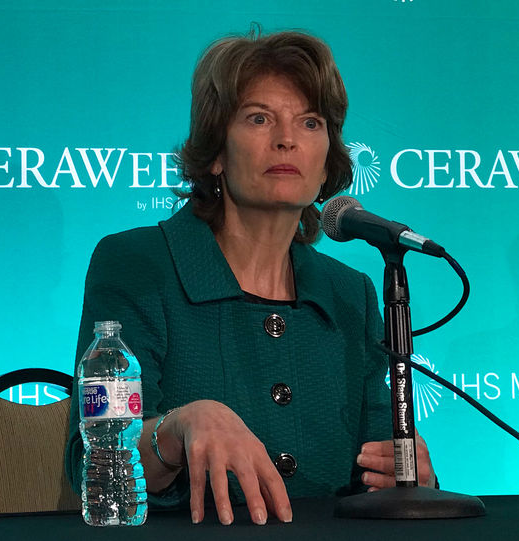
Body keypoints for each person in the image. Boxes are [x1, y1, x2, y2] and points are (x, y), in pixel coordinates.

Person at [65, 28, 436, 526]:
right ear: (216, 153)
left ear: (327, 160)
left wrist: (407, 477)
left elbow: (376, 469)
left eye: (309, 122)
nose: (287, 138)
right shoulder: (140, 264)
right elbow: (93, 462)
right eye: (259, 118)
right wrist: (178, 428)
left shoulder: (352, 295)